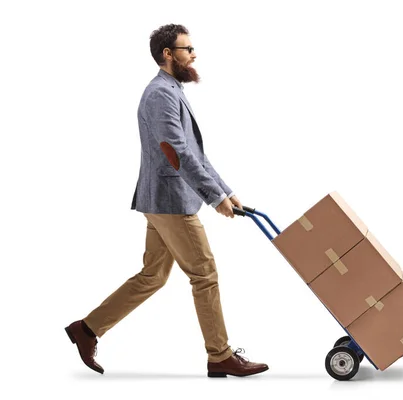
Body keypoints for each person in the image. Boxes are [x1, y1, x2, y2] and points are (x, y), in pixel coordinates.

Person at [65, 23, 268, 378]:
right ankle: (219, 355)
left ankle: (86, 329)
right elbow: (175, 151)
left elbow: (194, 152)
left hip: (160, 199)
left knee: (152, 276)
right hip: (171, 201)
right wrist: (213, 197)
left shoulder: (171, 90)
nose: (193, 54)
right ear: (167, 54)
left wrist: (226, 190)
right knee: (204, 274)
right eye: (187, 49)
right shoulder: (160, 93)